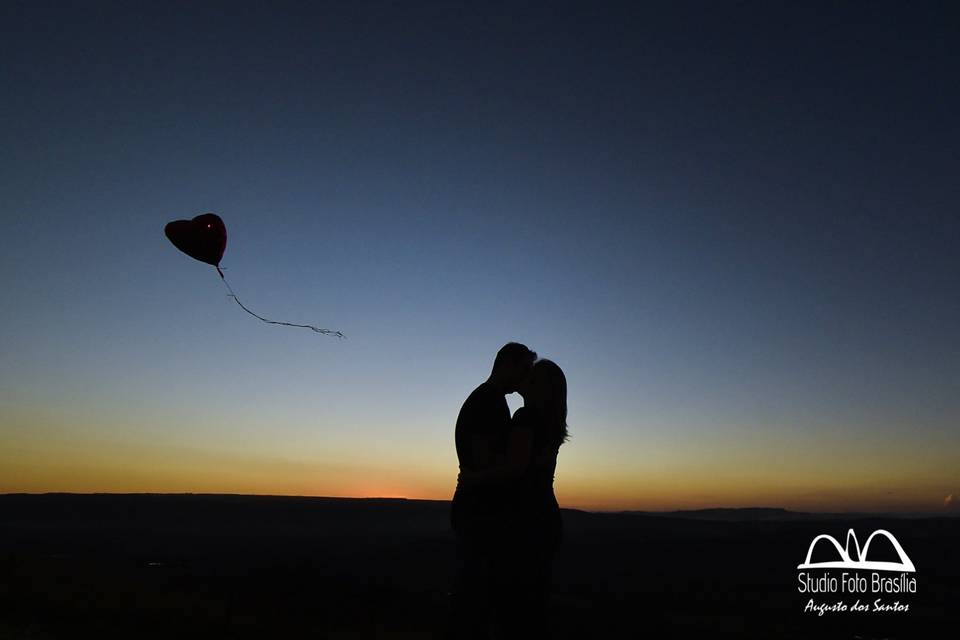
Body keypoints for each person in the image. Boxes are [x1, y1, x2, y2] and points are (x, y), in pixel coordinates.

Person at [457, 358, 569, 640]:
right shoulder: (552, 422)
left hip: (524, 524)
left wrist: (473, 479)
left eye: (530, 375)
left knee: (514, 611)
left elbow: (514, 468)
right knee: (533, 609)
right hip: (546, 519)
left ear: (536, 385)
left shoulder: (526, 417)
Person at [448, 342, 538, 640]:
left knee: (477, 599)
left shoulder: (490, 400)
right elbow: (485, 461)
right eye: (524, 369)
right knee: (476, 601)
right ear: (507, 363)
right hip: (480, 514)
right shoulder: (488, 401)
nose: (526, 377)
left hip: (477, 510)